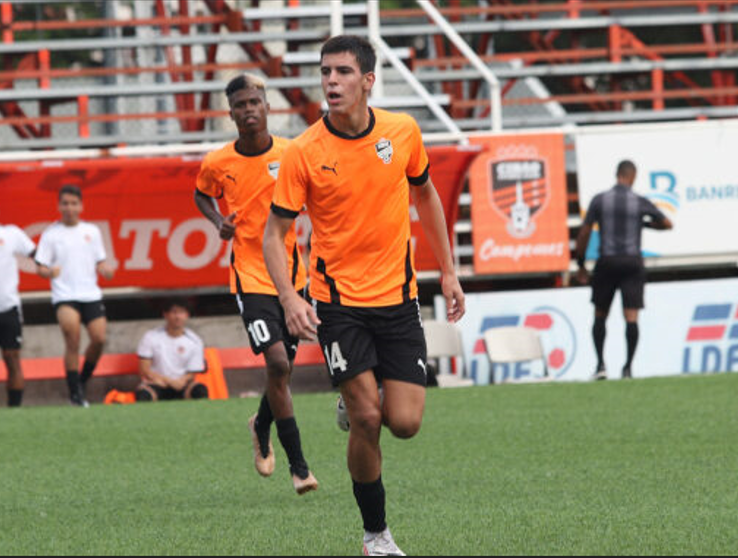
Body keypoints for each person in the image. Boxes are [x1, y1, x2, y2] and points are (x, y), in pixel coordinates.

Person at [263, 35, 466, 556]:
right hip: (338, 304)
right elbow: (274, 233)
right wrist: (289, 297)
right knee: (369, 419)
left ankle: (349, 402)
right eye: (326, 71)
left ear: (368, 81)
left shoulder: (402, 132)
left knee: (405, 423)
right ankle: (375, 536)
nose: (331, 81)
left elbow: (425, 194)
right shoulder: (305, 151)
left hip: (398, 299)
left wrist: (448, 272)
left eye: (343, 72)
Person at [194, 74, 318, 495]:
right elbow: (201, 194)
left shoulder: (291, 152)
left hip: (293, 276)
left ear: (267, 107)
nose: (249, 110)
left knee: (281, 371)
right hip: (249, 275)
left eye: (254, 102)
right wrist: (218, 222)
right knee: (279, 365)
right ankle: (299, 467)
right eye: (240, 105)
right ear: (230, 113)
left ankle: (261, 424)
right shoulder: (218, 162)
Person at [576, 160, 673, 380]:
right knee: (631, 317)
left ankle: (600, 365)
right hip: (632, 263)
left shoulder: (600, 200)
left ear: (617, 174)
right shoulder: (638, 202)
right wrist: (644, 224)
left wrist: (580, 264)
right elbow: (668, 223)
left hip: (607, 262)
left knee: (600, 314)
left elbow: (584, 233)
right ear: (633, 176)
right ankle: (628, 368)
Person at [35, 185, 115, 407]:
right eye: (65, 203)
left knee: (99, 339)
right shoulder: (51, 234)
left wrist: (105, 268)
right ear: (59, 206)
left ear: (81, 206)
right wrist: (49, 272)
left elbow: (100, 260)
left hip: (90, 293)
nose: (69, 208)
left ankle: (80, 381)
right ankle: (75, 394)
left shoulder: (92, 231)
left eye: (73, 203)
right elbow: (39, 266)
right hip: (65, 294)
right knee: (73, 339)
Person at [135, 299, 209, 402]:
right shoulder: (151, 337)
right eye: (174, 312)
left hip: (182, 384)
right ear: (165, 314)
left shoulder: (195, 340)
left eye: (181, 312)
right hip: (158, 383)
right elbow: (144, 370)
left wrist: (181, 381)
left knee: (200, 391)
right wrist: (169, 381)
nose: (178, 316)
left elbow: (193, 371)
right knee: (143, 395)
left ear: (187, 315)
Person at [0, 222, 36, 407]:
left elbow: (38, 256)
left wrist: (49, 268)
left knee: (12, 358)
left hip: (8, 307)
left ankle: (15, 410)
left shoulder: (11, 234)